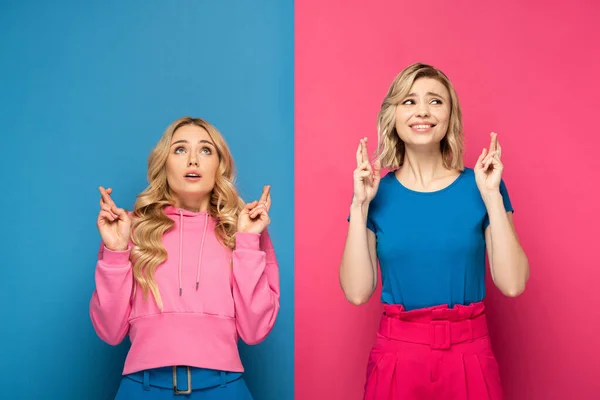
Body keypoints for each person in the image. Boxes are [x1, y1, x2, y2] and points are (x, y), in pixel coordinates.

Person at [340, 63, 529, 400]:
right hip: (397, 355)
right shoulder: (373, 194)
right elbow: (357, 292)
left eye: (435, 101)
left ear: (450, 115)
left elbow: (513, 284)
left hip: (469, 353)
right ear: (393, 115)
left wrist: (492, 197)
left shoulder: (482, 186)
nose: (423, 111)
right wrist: (359, 206)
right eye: (409, 101)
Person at [90, 117, 280, 399]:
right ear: (164, 164)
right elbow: (109, 331)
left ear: (220, 165)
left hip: (224, 388)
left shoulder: (242, 230)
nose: (193, 160)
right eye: (179, 149)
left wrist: (248, 241)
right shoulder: (131, 228)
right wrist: (116, 252)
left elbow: (254, 331)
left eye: (205, 150)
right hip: (142, 388)